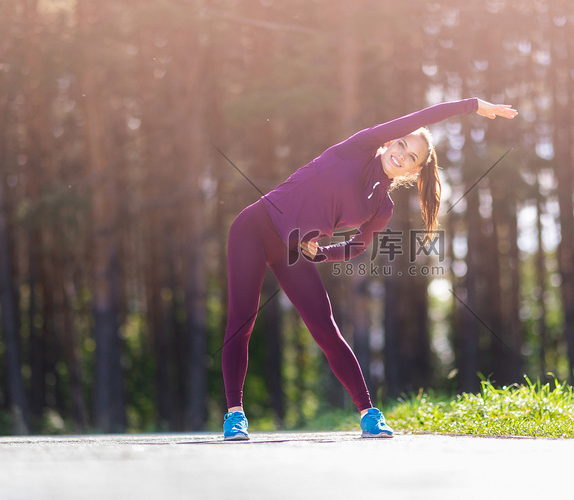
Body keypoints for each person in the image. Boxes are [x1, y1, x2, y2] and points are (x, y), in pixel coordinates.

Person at [222, 97, 518, 440]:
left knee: (325, 329)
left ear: (412, 171)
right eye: (402, 145)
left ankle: (369, 413)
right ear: (391, 140)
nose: (402, 155)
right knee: (242, 320)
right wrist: (471, 105)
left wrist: (321, 255)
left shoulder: (381, 208)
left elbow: (356, 247)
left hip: (293, 249)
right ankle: (235, 414)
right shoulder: (359, 148)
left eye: (411, 158)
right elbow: (421, 114)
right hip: (254, 228)